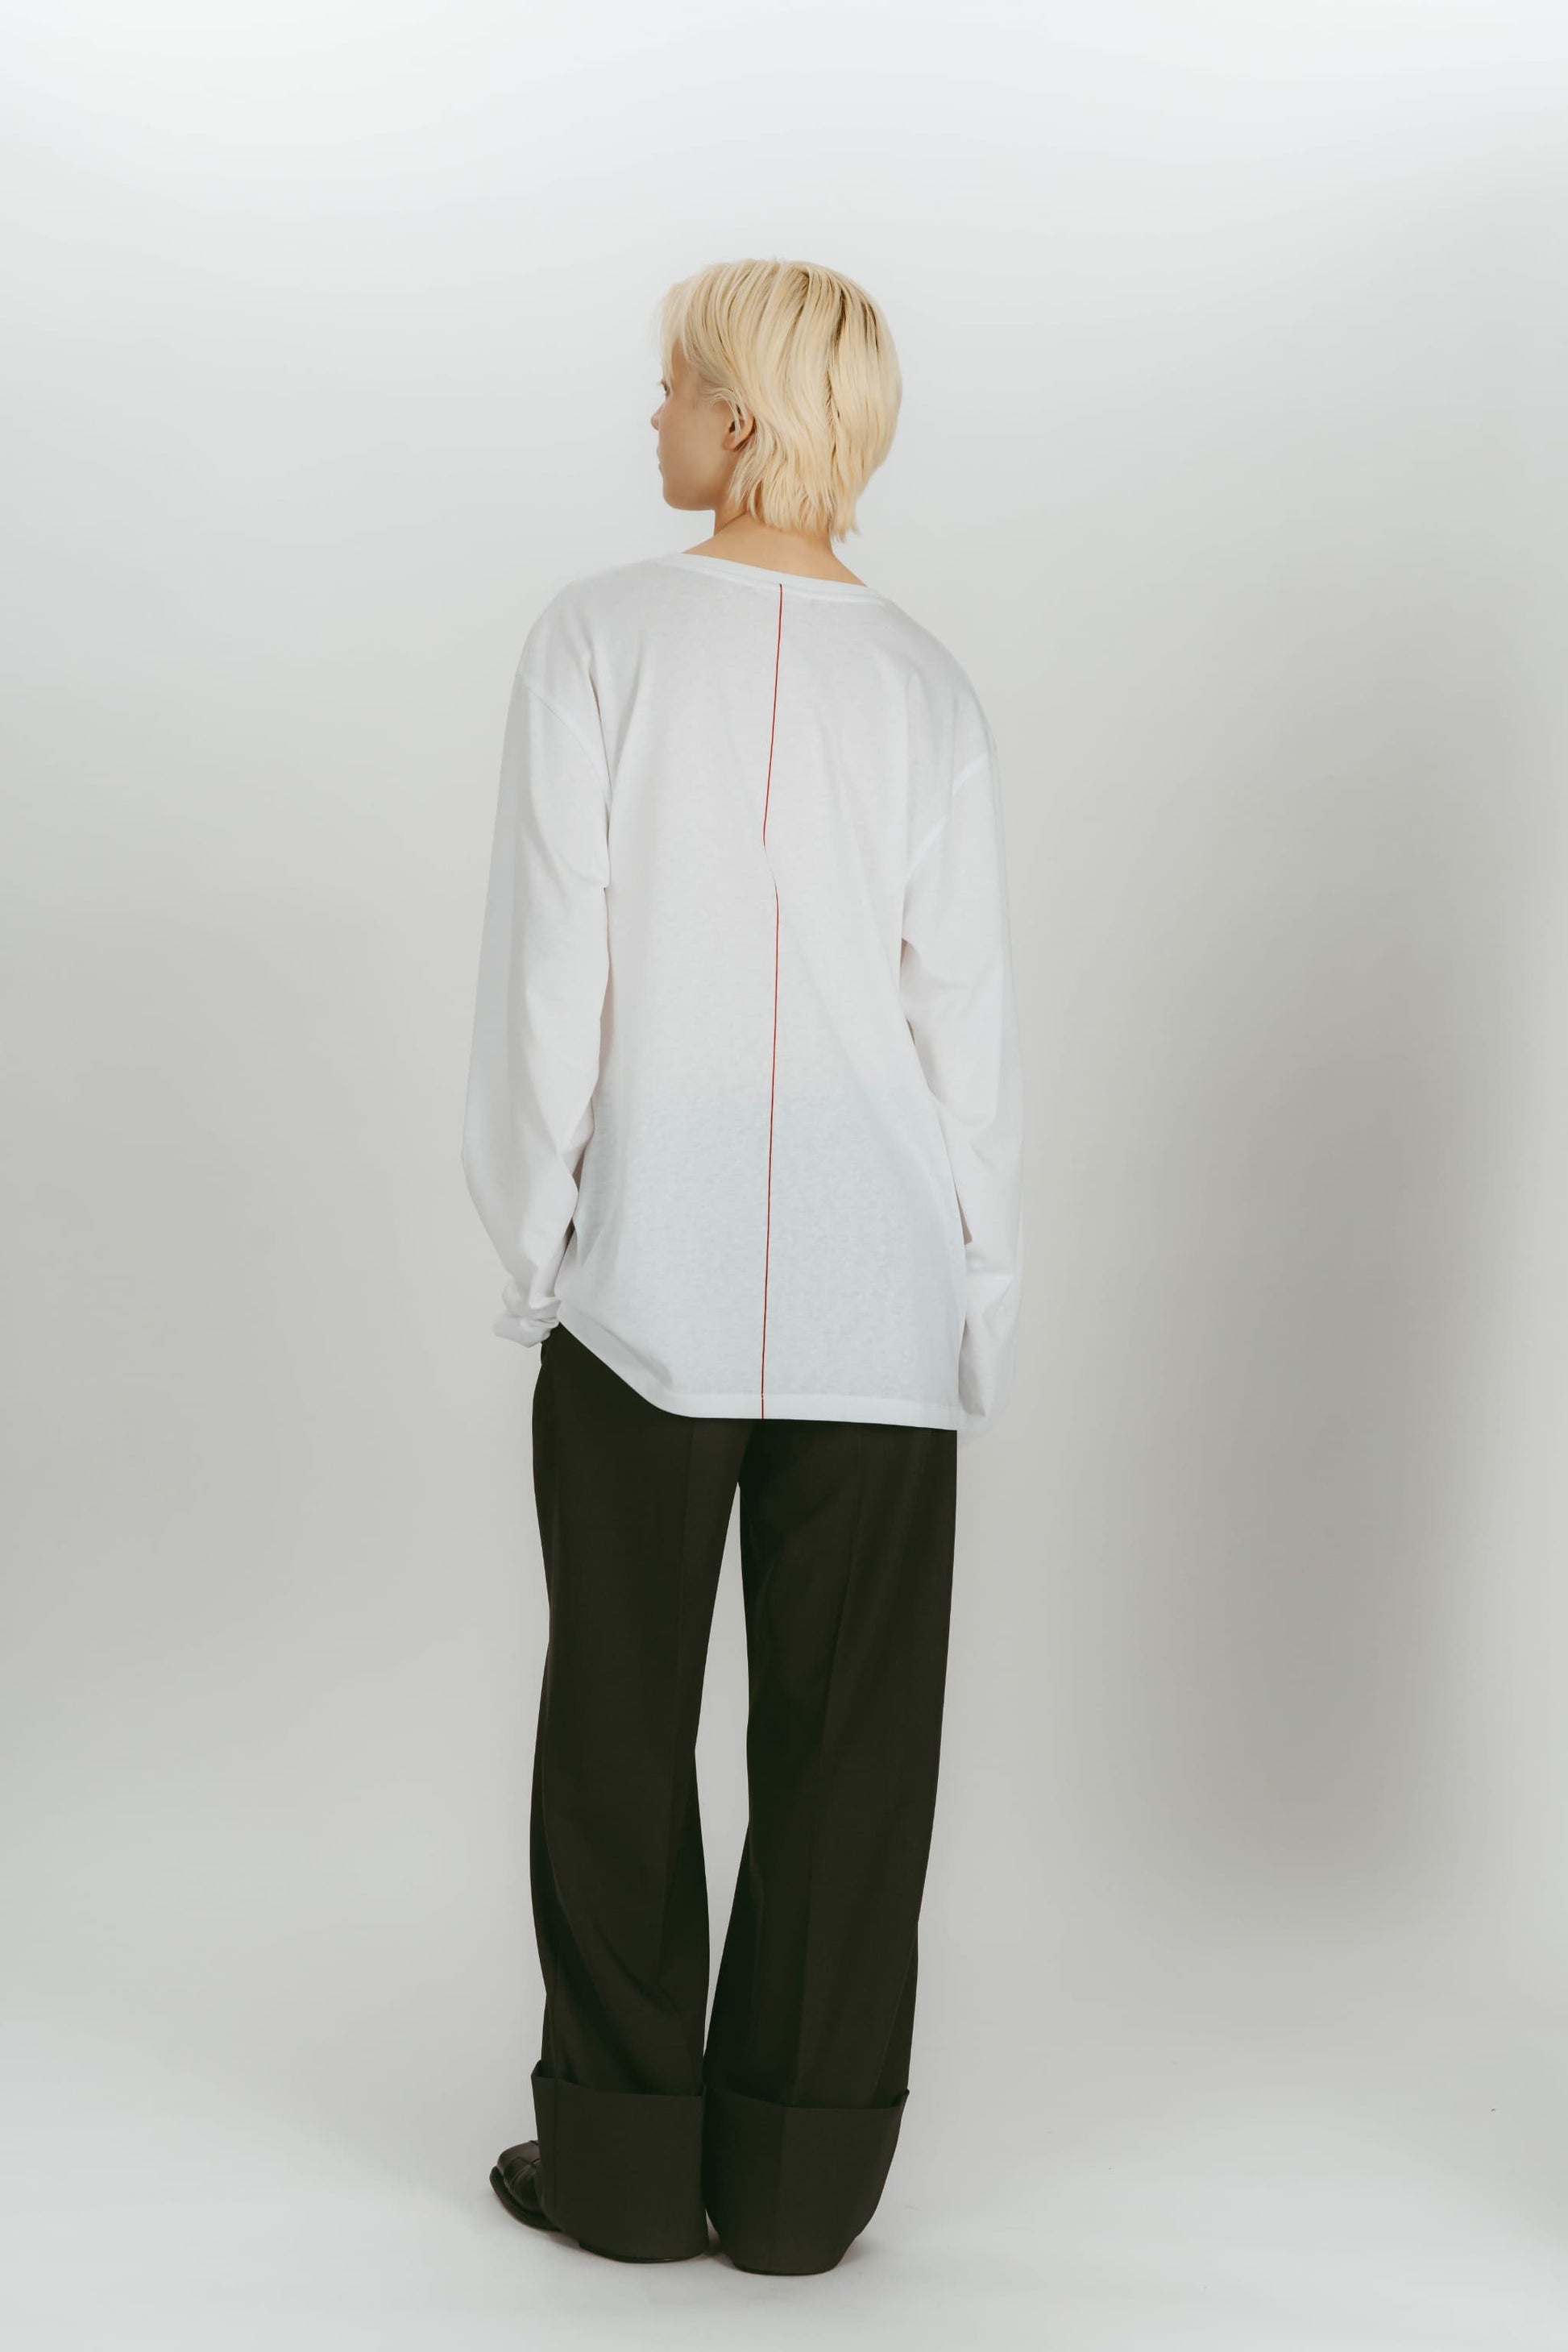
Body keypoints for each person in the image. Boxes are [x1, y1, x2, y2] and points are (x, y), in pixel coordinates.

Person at [460, 257, 1024, 2275]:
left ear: (746, 418)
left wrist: (534, 1236)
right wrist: (979, 1298)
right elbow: (966, 1027)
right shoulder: (926, 686)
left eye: (677, 383)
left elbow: (551, 970)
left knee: (616, 1728)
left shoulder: (598, 639)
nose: (656, 413)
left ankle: (621, 2168)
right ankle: (797, 2188)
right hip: (882, 1292)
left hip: (646, 1282)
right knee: (853, 1754)